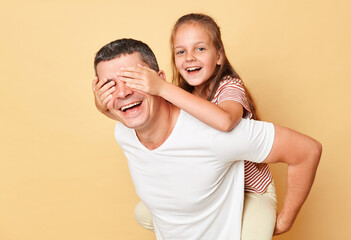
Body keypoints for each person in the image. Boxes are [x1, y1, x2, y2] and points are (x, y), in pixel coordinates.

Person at [92, 38, 321, 240]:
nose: (122, 93)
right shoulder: (125, 132)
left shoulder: (214, 135)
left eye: (133, 79)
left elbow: (306, 151)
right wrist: (104, 107)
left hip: (250, 196)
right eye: (109, 86)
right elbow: (124, 109)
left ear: (159, 81)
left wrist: (285, 221)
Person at [114, 13, 275, 239]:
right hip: (213, 190)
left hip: (250, 191)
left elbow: (225, 121)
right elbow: (143, 113)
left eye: (199, 49)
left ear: (219, 56)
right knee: (144, 212)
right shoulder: (183, 93)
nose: (189, 58)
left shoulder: (229, 87)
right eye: (181, 52)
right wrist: (103, 105)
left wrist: (162, 88)